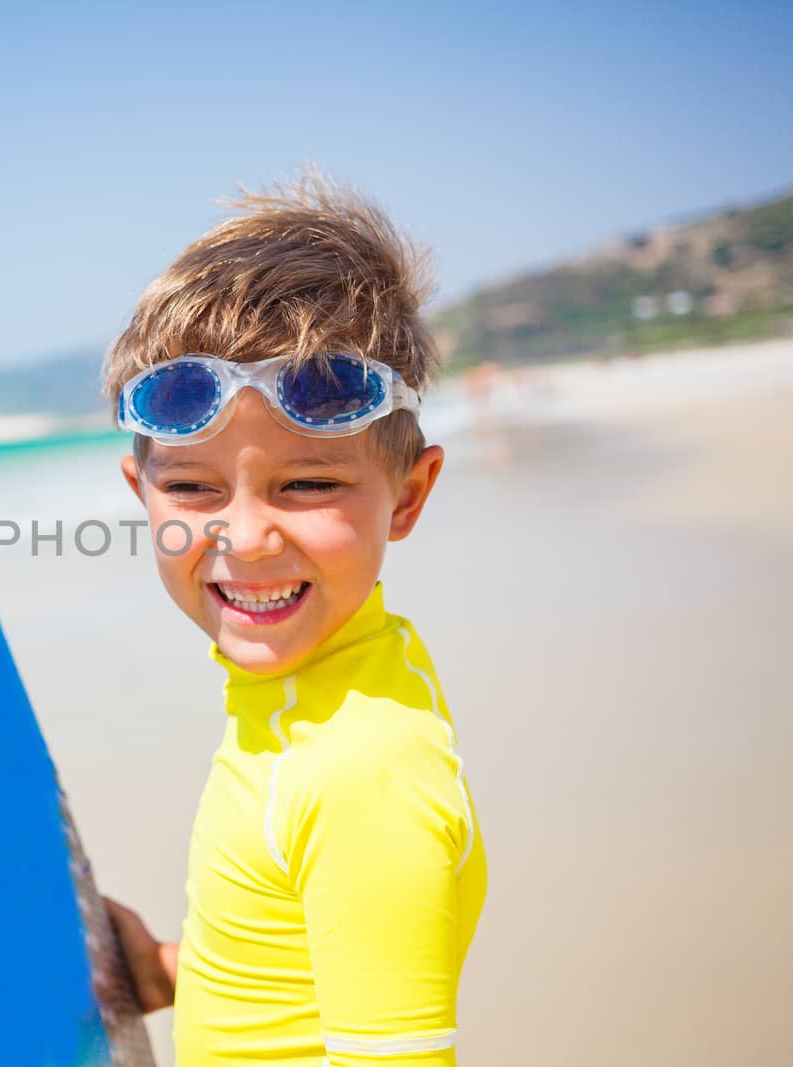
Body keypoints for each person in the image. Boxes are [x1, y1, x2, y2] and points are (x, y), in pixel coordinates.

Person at [101, 173, 488, 1065]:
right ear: (141, 494)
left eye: (308, 483)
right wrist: (177, 972)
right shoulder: (333, 683)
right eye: (193, 487)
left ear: (409, 494)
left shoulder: (361, 774)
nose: (247, 537)